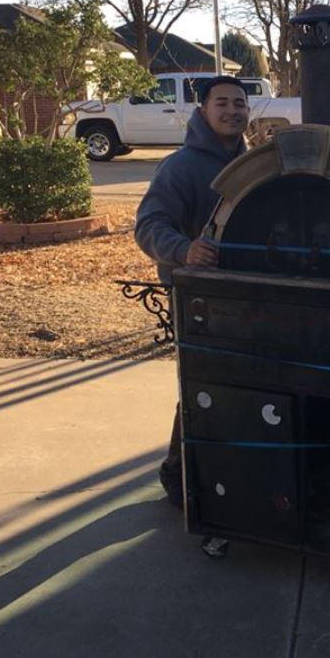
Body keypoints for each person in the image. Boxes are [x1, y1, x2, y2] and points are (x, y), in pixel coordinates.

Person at [135, 75, 250, 507]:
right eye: (222, 103)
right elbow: (148, 226)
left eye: (239, 103)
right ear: (203, 111)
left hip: (244, 298)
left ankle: (230, 472)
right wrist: (185, 250)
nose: (232, 110)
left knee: (240, 385)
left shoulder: (252, 163)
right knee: (202, 385)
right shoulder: (180, 166)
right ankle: (178, 475)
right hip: (196, 298)